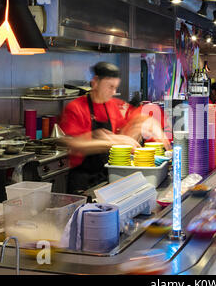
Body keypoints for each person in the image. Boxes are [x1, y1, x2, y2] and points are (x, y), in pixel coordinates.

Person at [59, 62, 170, 194]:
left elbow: (132, 123)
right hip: (82, 182)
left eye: (115, 87)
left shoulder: (112, 105)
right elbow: (74, 144)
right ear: (95, 82)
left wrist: (149, 123)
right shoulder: (75, 108)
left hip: (107, 177)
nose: (113, 92)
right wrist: (112, 141)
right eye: (110, 87)